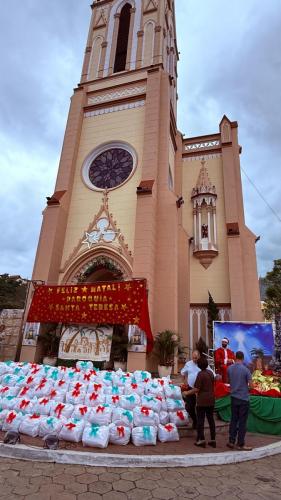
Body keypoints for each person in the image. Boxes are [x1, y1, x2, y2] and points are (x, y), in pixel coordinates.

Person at [183, 356, 216, 448]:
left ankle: (201, 440)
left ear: (199, 365)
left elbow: (196, 389)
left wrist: (187, 392)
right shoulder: (210, 373)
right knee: (211, 420)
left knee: (200, 420)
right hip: (211, 399)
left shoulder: (200, 374)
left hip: (202, 400)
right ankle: (213, 440)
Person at [227, 351, 253, 451]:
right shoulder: (246, 370)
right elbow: (251, 386)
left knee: (233, 420)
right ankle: (240, 444)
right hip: (243, 399)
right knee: (242, 422)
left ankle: (231, 441)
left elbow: (229, 381)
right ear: (242, 358)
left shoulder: (230, 368)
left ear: (235, 357)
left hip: (233, 398)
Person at [180, 350, 200, 429]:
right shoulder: (188, 364)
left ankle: (198, 424)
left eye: (196, 358)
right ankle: (195, 420)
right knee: (189, 407)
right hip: (190, 388)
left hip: (200, 390)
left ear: (199, 356)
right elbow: (183, 373)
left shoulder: (202, 364)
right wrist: (183, 382)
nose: (195, 359)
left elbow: (211, 372)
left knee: (199, 408)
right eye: (193, 358)